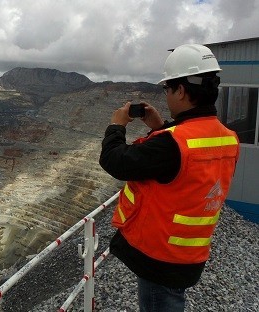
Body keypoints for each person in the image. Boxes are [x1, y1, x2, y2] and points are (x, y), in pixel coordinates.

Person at [99, 43, 240, 311]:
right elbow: (186, 166)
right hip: (190, 254)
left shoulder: (172, 145)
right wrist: (162, 127)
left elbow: (115, 161)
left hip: (161, 257)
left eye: (167, 89)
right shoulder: (227, 138)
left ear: (181, 91)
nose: (165, 95)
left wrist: (116, 125)